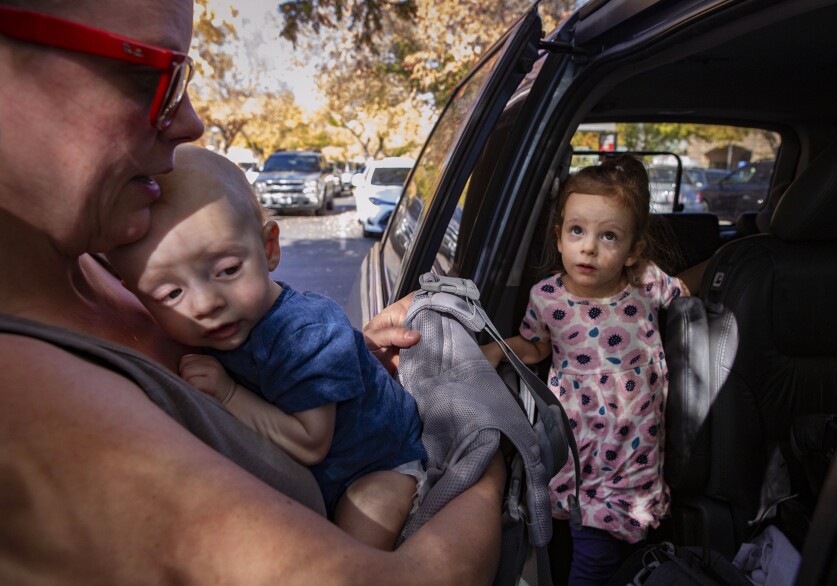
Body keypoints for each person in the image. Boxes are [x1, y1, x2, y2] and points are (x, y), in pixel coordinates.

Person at [0, 1, 504, 583]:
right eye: (155, 76)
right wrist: (488, 456)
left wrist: (341, 355)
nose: (191, 120)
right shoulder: (27, 399)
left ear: (268, 247)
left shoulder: (106, 256)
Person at [106, 145, 427, 551]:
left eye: (226, 270)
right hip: (317, 479)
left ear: (269, 248)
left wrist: (227, 394)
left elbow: (311, 443)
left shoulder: (305, 334)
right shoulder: (208, 331)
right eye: (171, 293)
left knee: (353, 549)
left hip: (378, 462)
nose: (205, 304)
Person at [482, 155, 688, 585]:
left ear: (633, 250)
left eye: (608, 235)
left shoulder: (647, 283)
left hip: (635, 447)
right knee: (589, 547)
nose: (589, 247)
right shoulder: (547, 297)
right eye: (577, 231)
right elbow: (537, 347)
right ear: (558, 238)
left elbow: (687, 299)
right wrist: (500, 351)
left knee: (620, 549)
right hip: (581, 452)